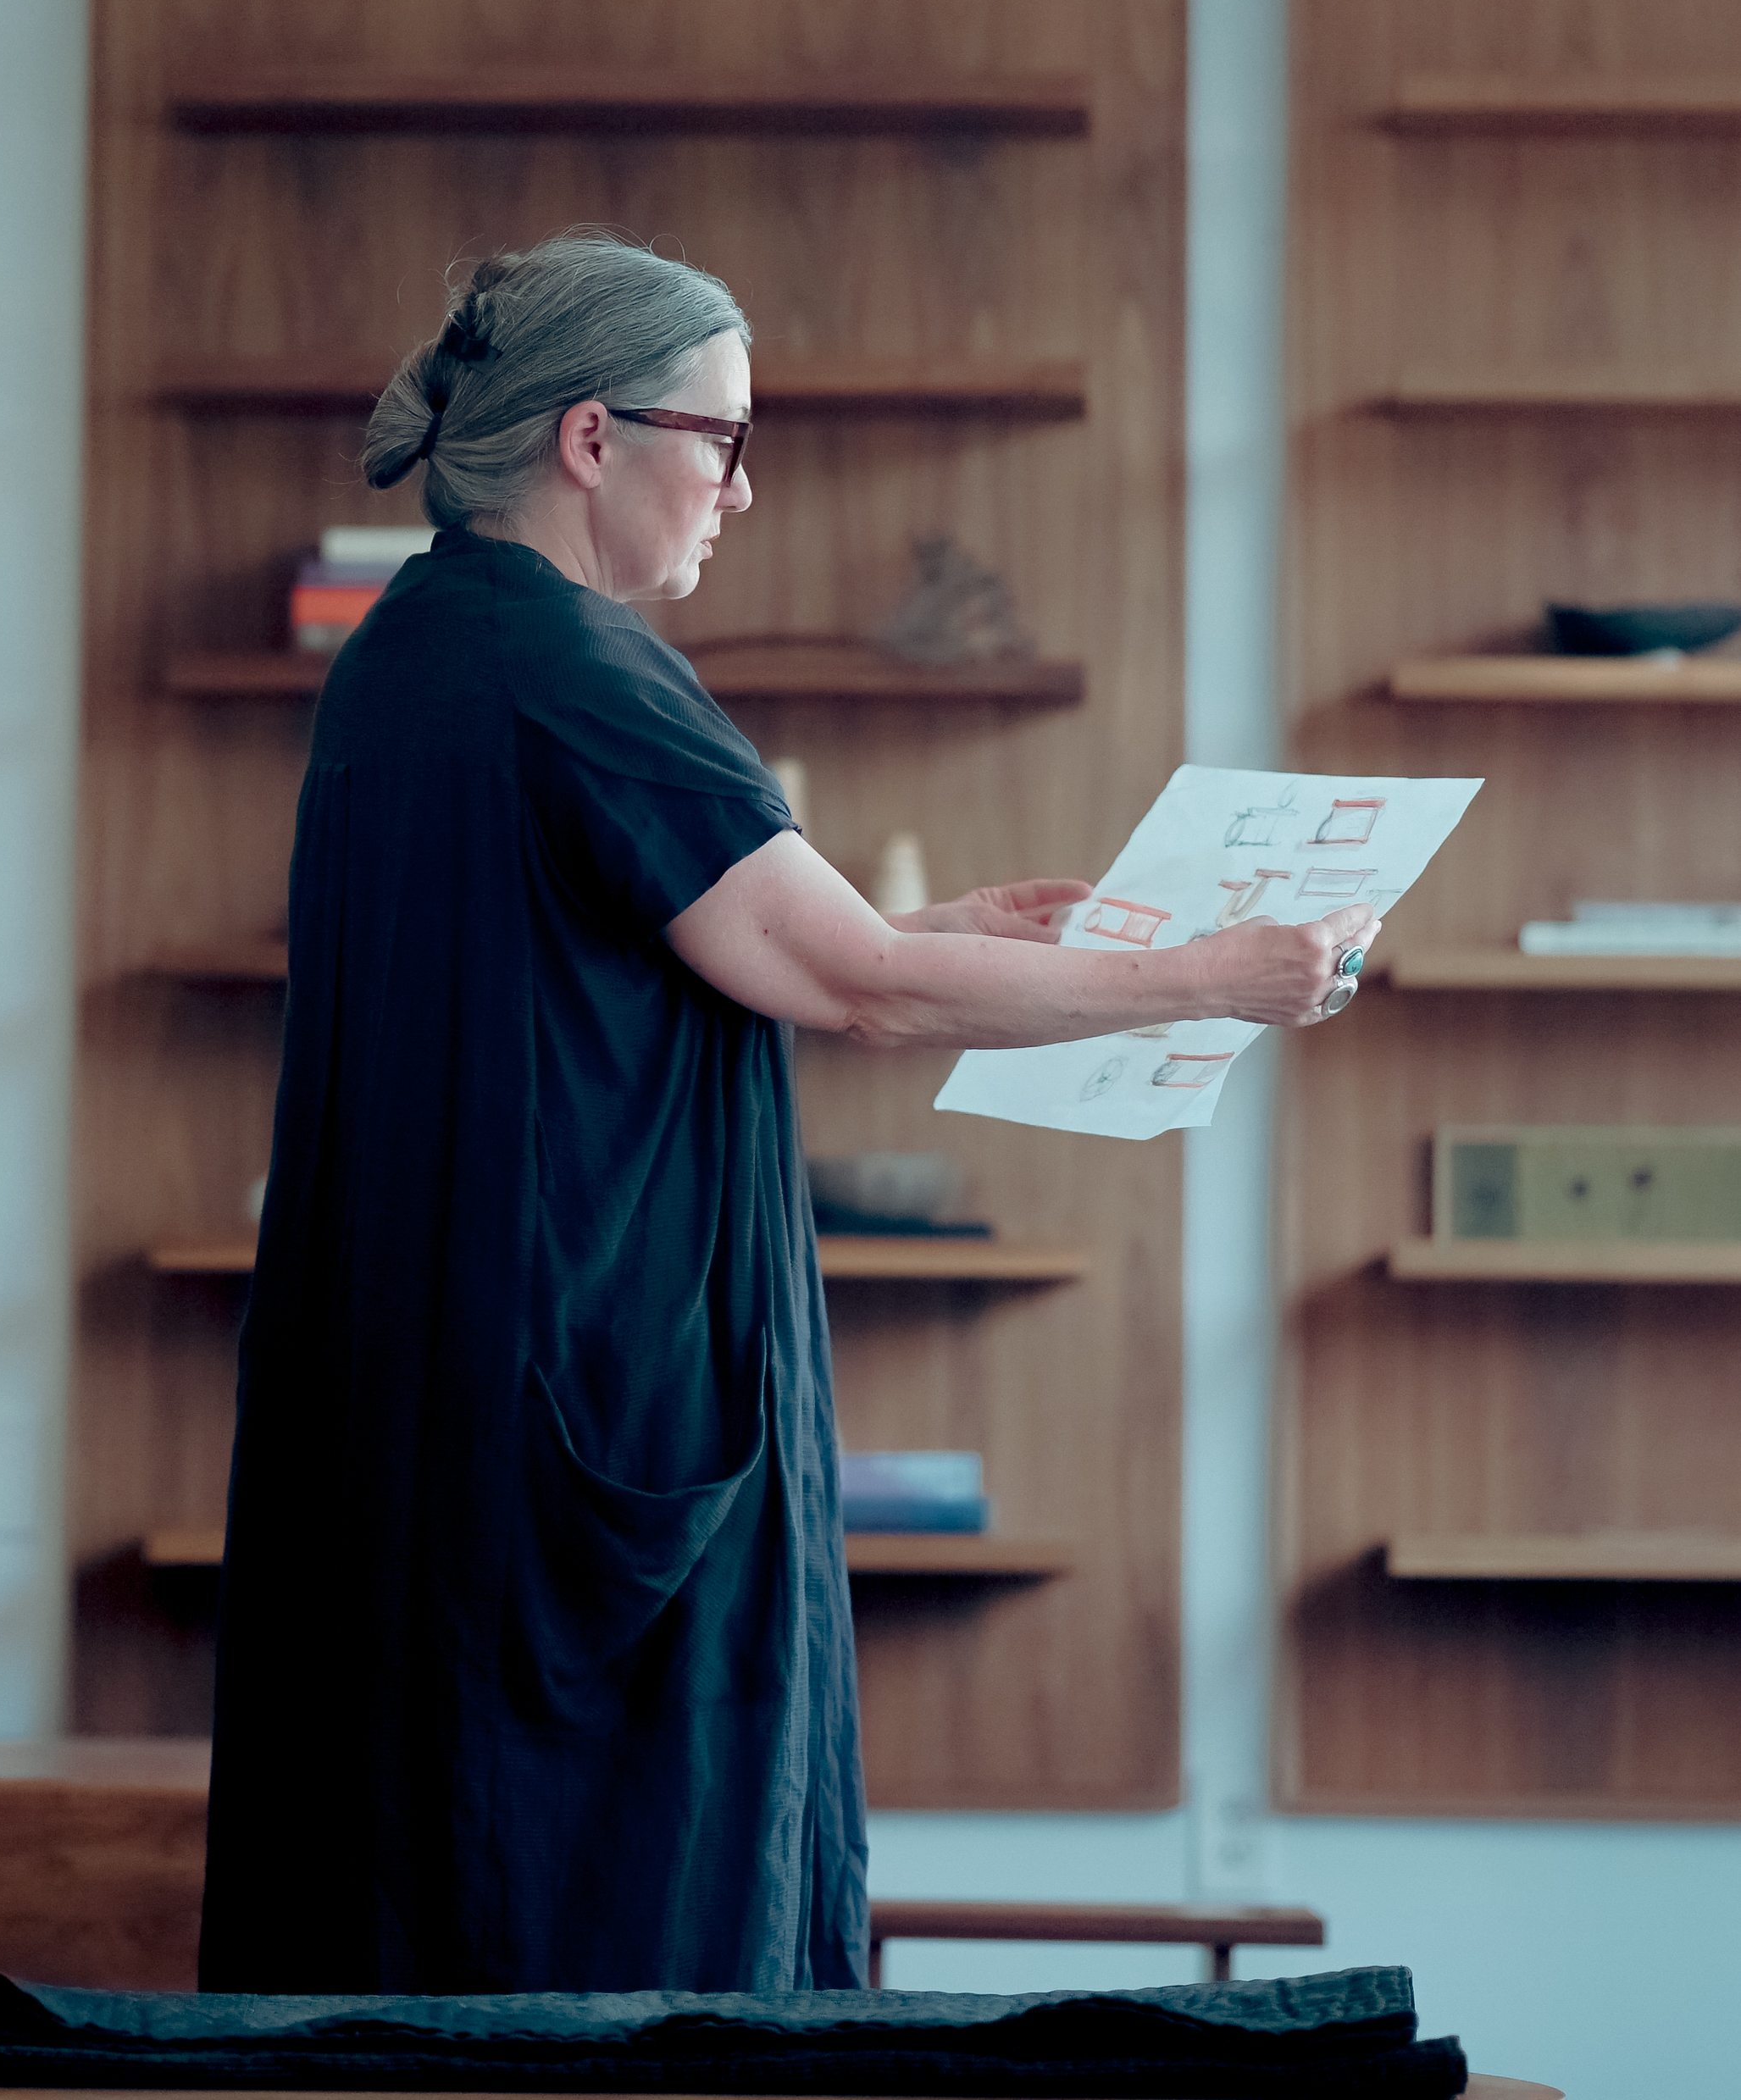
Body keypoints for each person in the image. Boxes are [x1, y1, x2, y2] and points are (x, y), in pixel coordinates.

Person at [197, 231, 1374, 1999]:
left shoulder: (413, 653)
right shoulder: (572, 668)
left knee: (421, 1942)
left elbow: (706, 973)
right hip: (575, 1459)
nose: (741, 488)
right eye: (721, 439)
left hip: (441, 1433)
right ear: (592, 438)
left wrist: (921, 934)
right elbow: (853, 990)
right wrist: (1213, 976)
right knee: (613, 1970)